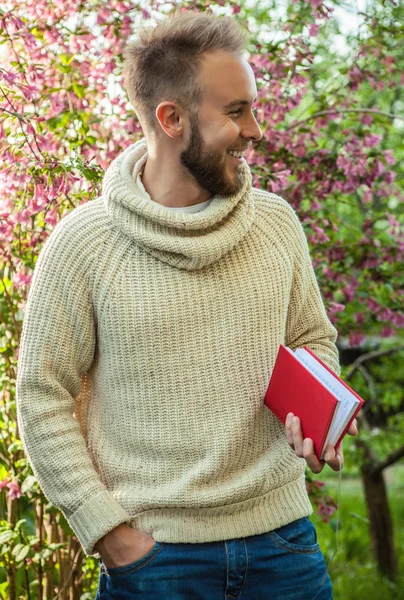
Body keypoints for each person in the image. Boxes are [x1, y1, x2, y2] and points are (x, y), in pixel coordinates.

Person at [16, 10, 357, 600]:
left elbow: (311, 338)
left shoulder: (275, 225)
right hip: (154, 561)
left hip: (283, 546)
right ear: (171, 118)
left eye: (252, 106)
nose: (257, 129)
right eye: (236, 111)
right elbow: (41, 397)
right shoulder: (85, 244)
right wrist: (111, 536)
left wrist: (317, 409)